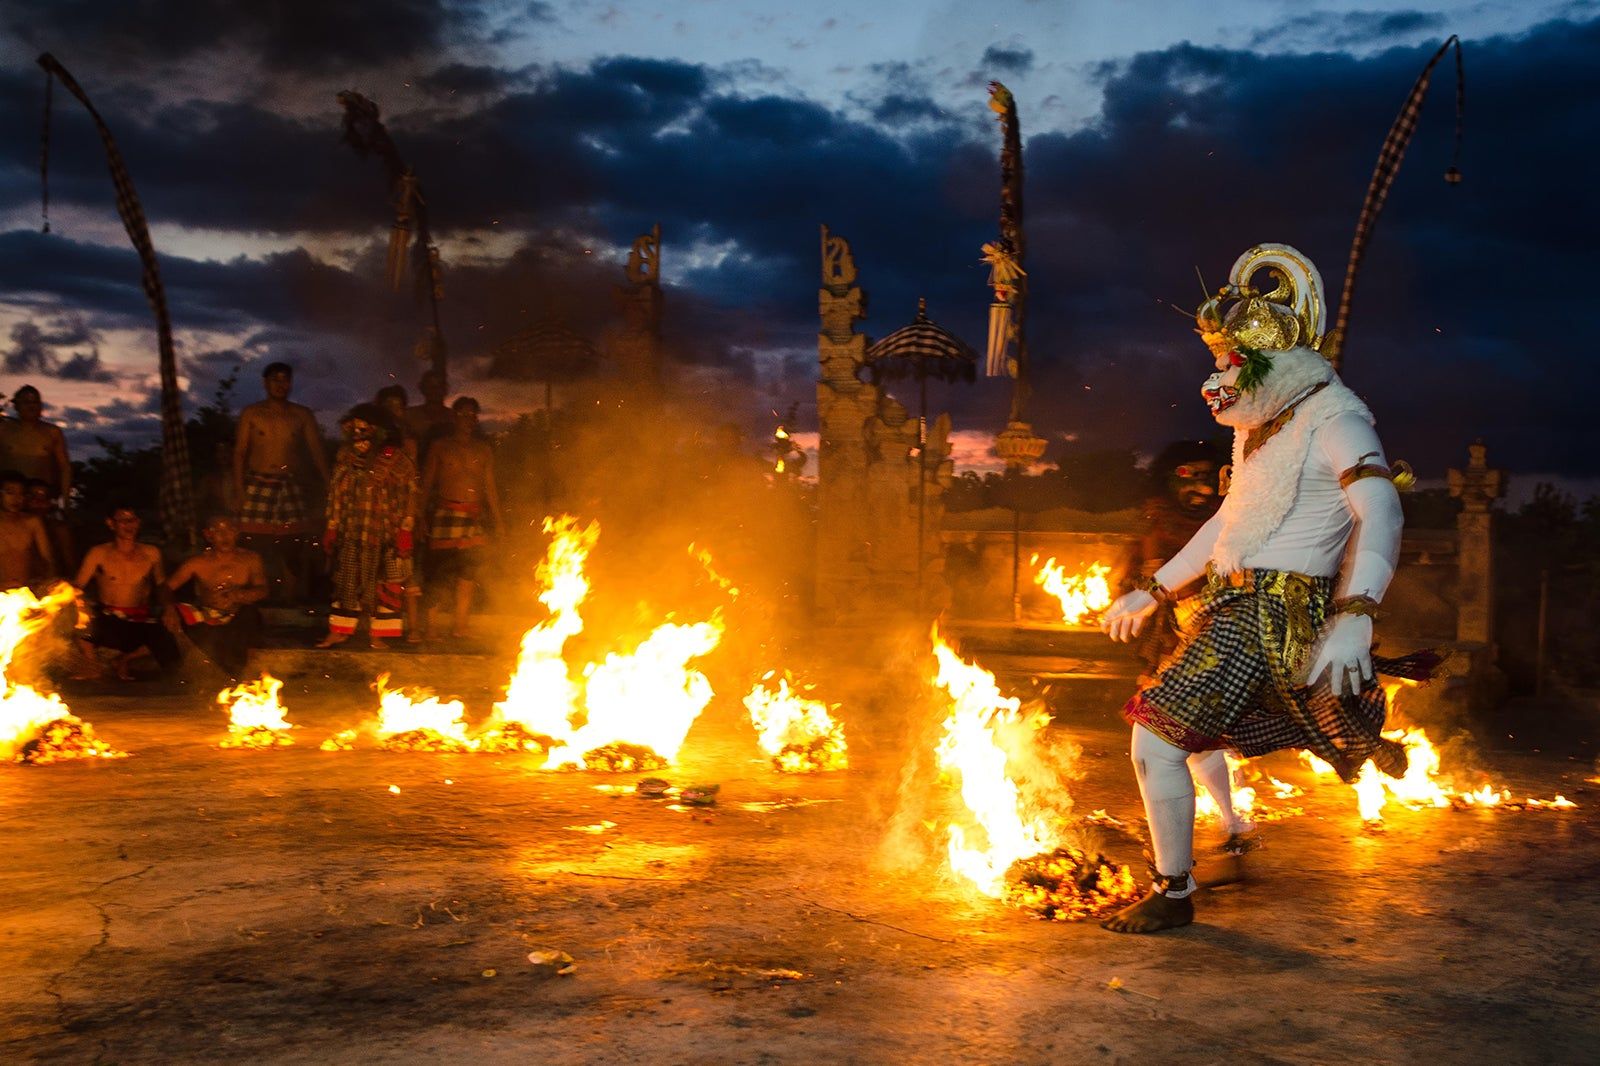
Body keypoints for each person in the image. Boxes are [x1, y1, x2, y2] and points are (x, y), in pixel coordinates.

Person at [1100, 244, 1415, 933]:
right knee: (1187, 740)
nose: (1214, 380)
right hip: (1231, 605)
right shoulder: (1260, 430)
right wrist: (1153, 589)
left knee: (1155, 740)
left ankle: (1175, 893)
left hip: (1275, 614)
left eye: (1224, 363)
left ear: (1267, 363)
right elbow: (1226, 523)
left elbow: (1382, 509)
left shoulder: (1337, 418)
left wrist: (1358, 614)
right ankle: (1207, 854)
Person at [320, 404, 418, 647]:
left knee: (386, 584)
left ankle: (378, 634)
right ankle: (339, 630)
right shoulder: (346, 456)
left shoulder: (396, 458)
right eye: (355, 428)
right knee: (347, 581)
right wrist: (332, 526)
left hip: (387, 531)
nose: (359, 434)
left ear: (378, 430)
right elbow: (337, 493)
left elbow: (409, 495)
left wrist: (405, 531)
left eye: (365, 428)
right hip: (353, 530)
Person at [232, 362, 329, 601]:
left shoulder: (301, 415)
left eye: (285, 380)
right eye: (275, 380)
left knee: (292, 543)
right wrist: (239, 489)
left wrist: (330, 483)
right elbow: (240, 453)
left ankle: (290, 597)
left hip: (289, 483)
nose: (280, 385)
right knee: (254, 541)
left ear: (290, 383)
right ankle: (253, 596)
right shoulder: (252, 413)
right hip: (258, 482)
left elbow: (317, 451)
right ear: (265, 383)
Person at [421, 397, 500, 639]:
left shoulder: (483, 450)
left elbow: (490, 488)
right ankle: (431, 627)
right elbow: (426, 483)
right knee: (439, 573)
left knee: (468, 575)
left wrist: (499, 522)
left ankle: (460, 625)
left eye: (473, 416)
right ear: (454, 417)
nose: (469, 420)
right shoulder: (440, 447)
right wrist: (418, 515)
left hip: (472, 517)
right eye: (464, 415)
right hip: (446, 514)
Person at [72, 505, 179, 680]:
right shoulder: (98, 553)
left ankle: (125, 659)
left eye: (133, 519)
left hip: (139, 619)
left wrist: (169, 607)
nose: (129, 525)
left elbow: (161, 584)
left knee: (172, 649)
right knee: (76, 621)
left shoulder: (151, 553)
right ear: (111, 524)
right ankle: (91, 664)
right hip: (107, 618)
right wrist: (81, 608)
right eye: (123, 520)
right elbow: (77, 587)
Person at [165, 514, 267, 678]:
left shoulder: (251, 559)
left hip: (239, 614)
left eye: (229, 530)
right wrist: (169, 609)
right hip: (209, 615)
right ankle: (228, 672)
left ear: (237, 533)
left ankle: (245, 672)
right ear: (208, 535)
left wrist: (239, 595)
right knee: (181, 616)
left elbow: (262, 589)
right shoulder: (197, 562)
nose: (224, 535)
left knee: (251, 615)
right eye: (217, 530)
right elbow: (166, 587)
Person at [0, 385, 72, 503]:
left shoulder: (53, 432)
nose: (31, 406)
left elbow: (65, 468)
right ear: (16, 406)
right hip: (8, 500)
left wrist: (65, 500)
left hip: (40, 499)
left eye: (35, 402)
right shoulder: (3, 430)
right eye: (26, 402)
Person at [0, 471, 56, 589]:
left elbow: (47, 560)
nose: (16, 498)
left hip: (27, 592)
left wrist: (46, 585)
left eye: (21, 494)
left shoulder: (32, 522)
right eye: (10, 492)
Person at [25, 477, 75, 579]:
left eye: (44, 497)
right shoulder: (12, 528)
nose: (39, 502)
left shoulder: (59, 529)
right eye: (33, 497)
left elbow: (70, 562)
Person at [403, 369, 453, 463]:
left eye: (439, 386)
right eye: (430, 386)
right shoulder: (409, 415)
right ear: (422, 388)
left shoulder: (455, 418)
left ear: (445, 389)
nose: (434, 390)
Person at [375, 384, 417, 462]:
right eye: (389, 406)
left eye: (398, 407)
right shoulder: (370, 434)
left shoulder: (408, 440)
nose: (393, 411)